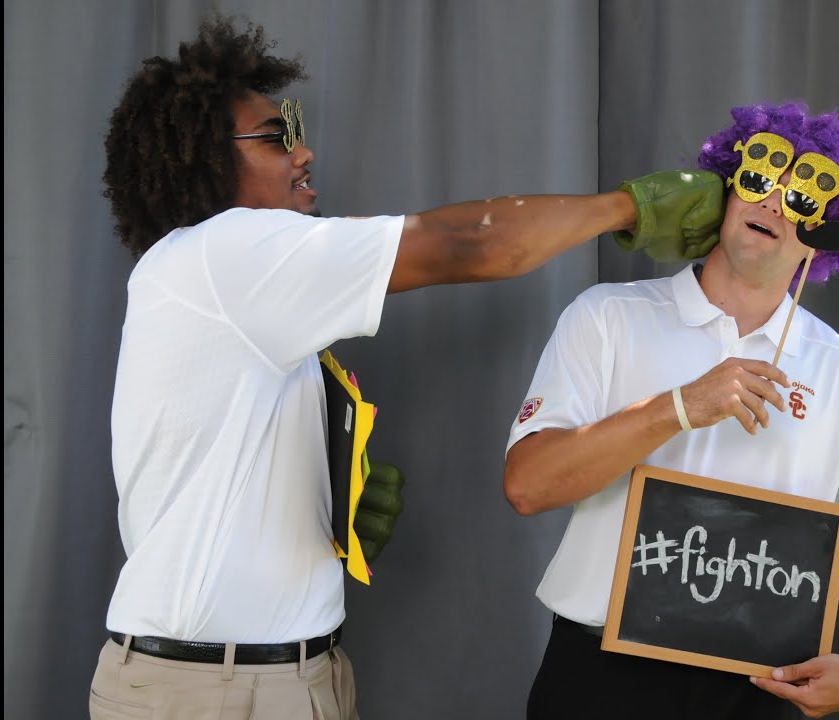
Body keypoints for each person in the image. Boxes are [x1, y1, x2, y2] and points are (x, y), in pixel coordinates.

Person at [89, 14, 725, 720]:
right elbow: (463, 244)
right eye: (276, 137)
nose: (304, 153)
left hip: (285, 675)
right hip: (211, 692)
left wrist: (322, 509)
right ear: (202, 159)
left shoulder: (234, 289)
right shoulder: (223, 252)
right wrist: (625, 208)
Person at [503, 100, 839, 719]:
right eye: (761, 180)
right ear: (727, 189)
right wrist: (679, 407)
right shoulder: (606, 317)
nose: (772, 205)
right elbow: (528, 485)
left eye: (803, 200)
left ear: (828, 234)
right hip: (600, 680)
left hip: (757, 692)